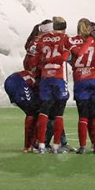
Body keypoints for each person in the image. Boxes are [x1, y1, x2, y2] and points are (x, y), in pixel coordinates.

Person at [27, 16, 72, 152]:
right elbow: (67, 56)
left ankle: (41, 144)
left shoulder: (41, 39)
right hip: (59, 78)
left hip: (45, 78)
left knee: (44, 112)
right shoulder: (65, 38)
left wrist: (44, 63)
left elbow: (33, 59)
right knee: (58, 113)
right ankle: (57, 145)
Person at [69, 19, 95, 153]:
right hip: (94, 79)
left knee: (83, 115)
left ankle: (82, 147)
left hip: (80, 80)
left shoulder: (71, 40)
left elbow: (74, 54)